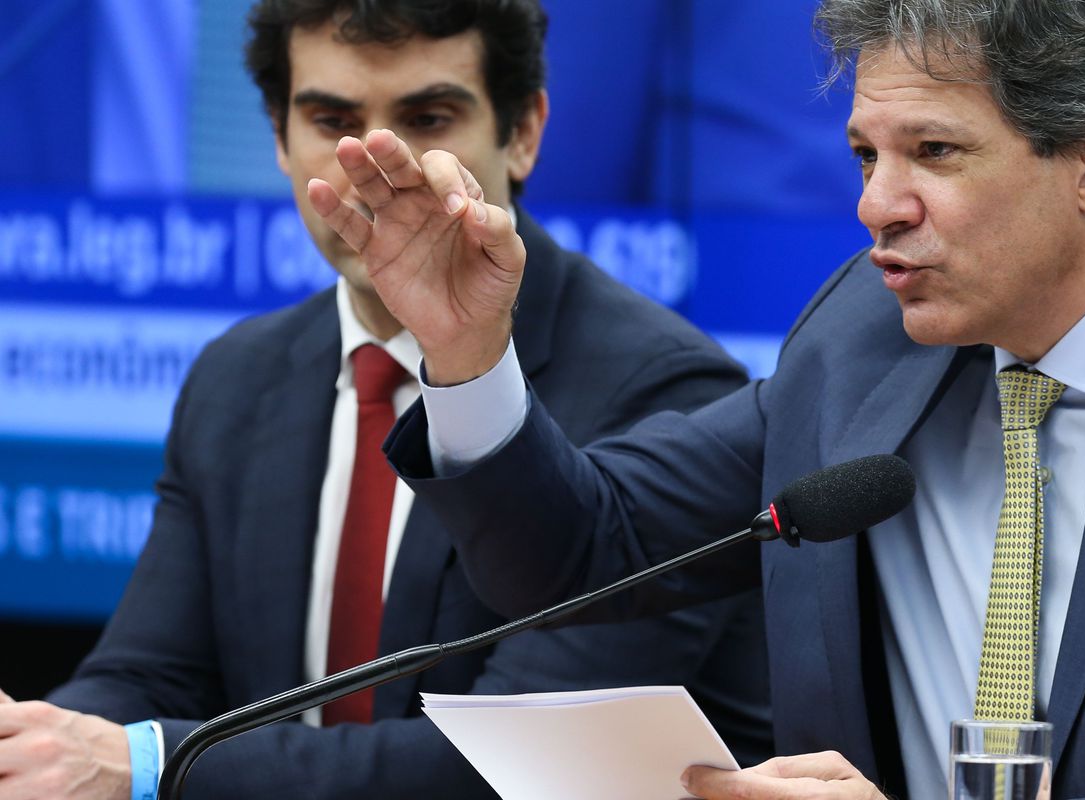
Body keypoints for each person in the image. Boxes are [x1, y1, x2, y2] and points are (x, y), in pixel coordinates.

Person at [318, 0, 1085, 797]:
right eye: (867, 154)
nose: (877, 206)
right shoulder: (863, 337)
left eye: (935, 152)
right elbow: (583, 551)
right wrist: (465, 351)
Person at [0, 1, 772, 798]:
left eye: (428, 118)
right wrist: (33, 749)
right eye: (332, 121)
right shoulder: (237, 376)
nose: (377, 166)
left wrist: (149, 763)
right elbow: (144, 680)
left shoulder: (662, 390)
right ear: (278, 136)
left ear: (523, 132)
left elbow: (523, 765)